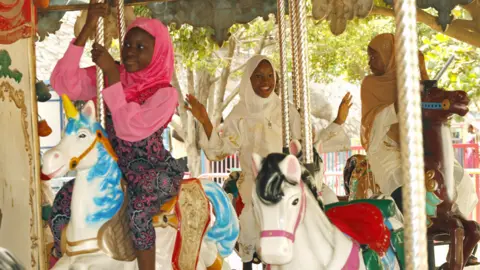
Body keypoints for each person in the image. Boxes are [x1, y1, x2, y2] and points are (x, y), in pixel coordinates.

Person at [48, 2, 183, 269]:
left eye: (141, 47)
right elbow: (63, 83)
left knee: (138, 212)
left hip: (151, 172)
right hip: (114, 170)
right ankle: (57, 256)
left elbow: (129, 130)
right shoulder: (114, 73)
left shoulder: (165, 93)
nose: (130, 52)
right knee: (64, 202)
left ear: (158, 53)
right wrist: (86, 30)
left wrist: (111, 74)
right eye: (128, 45)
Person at [185, 55, 352, 265]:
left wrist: (338, 121)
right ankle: (248, 262)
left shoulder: (286, 110)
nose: (265, 81)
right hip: (256, 184)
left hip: (288, 182)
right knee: (249, 221)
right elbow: (220, 150)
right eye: (259, 76)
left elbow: (309, 145)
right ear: (248, 79)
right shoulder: (240, 114)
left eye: (270, 75)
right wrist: (205, 120)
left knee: (326, 203)